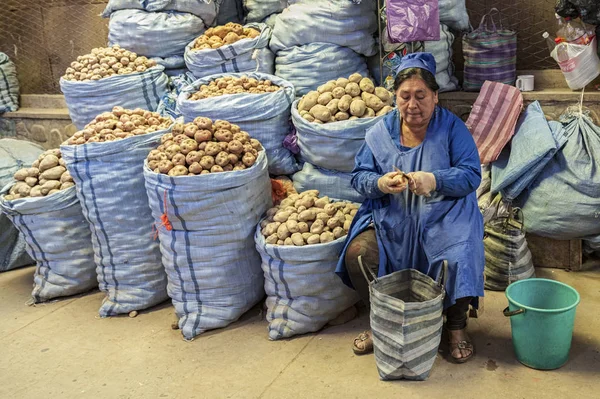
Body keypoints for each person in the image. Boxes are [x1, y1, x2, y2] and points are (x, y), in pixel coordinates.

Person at [335, 52, 484, 364]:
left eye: (421, 96)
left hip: (445, 216)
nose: (412, 105)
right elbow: (359, 176)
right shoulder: (378, 133)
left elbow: (471, 175)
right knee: (359, 254)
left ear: (435, 97)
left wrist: (435, 180)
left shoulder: (452, 129)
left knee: (460, 255)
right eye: (405, 96)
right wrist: (378, 184)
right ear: (395, 97)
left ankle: (455, 327)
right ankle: (382, 323)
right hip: (393, 220)